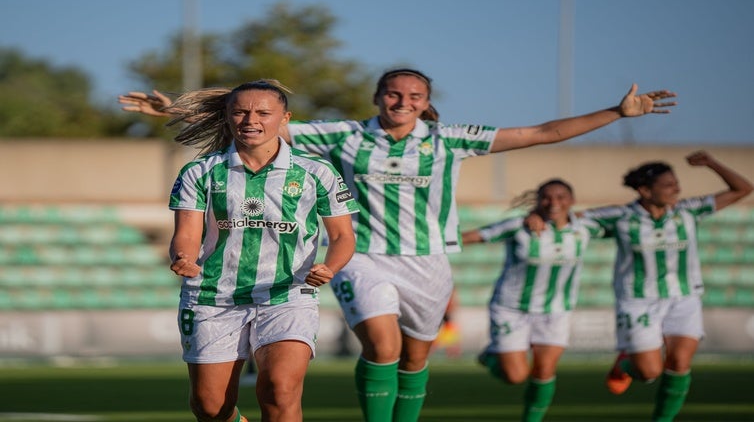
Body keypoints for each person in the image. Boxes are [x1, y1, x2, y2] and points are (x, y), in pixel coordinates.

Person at [120, 68, 676, 421]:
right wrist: (174, 110)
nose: (402, 100)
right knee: (380, 346)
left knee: (414, 356)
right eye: (393, 92)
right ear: (378, 97)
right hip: (360, 258)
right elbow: (257, 120)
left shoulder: (450, 140)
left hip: (428, 260)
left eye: (415, 95)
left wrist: (616, 113)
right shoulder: (343, 137)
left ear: (426, 102)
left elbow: (541, 134)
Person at [166, 79, 357, 422]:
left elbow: (343, 236)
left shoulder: (317, 172)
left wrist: (330, 266)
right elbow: (186, 234)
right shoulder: (200, 171)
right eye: (240, 112)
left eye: (263, 112)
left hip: (288, 294)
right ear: (227, 117)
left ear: (285, 118)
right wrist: (183, 258)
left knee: (279, 390)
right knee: (210, 407)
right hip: (213, 295)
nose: (250, 120)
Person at [523, 151, 750, 421]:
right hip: (637, 300)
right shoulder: (619, 216)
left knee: (679, 363)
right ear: (645, 190)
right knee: (649, 372)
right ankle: (626, 364)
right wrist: (534, 214)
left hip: (684, 297)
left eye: (676, 183)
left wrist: (712, 164)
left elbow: (743, 189)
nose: (676, 189)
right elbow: (563, 218)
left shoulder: (687, 210)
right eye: (668, 185)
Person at [463, 179, 603, 422]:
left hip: (556, 309)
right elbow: (474, 236)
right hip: (512, 308)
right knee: (515, 376)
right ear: (538, 201)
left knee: (544, 371)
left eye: (561, 197)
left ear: (571, 201)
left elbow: (627, 223)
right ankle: (492, 355)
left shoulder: (586, 227)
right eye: (547, 197)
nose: (554, 203)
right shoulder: (519, 226)